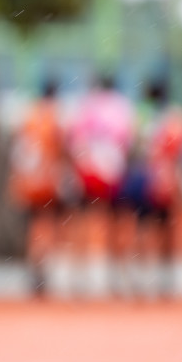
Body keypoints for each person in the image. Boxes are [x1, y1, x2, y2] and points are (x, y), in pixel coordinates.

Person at [121, 78, 182, 299]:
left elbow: (130, 149)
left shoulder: (140, 117)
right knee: (166, 230)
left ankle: (139, 276)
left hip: (143, 180)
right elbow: (181, 153)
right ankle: (164, 279)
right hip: (166, 181)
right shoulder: (175, 118)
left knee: (140, 228)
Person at [67, 74, 134, 296]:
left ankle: (79, 279)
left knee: (82, 224)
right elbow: (128, 142)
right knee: (116, 224)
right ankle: (117, 278)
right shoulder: (121, 107)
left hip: (87, 173)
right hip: (113, 175)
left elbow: (75, 143)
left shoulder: (86, 106)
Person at [7, 78, 69, 297]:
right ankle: (41, 270)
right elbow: (63, 149)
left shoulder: (29, 116)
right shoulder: (54, 117)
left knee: (33, 226)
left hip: (27, 181)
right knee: (45, 226)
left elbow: (17, 149)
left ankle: (34, 268)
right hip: (46, 181)